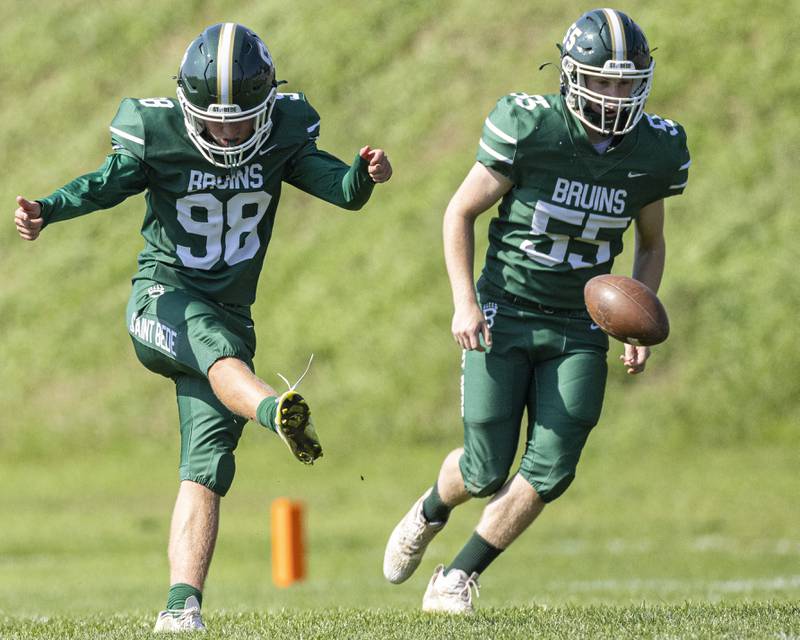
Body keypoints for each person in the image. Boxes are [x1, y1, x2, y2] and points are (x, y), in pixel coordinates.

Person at [15, 22, 391, 633]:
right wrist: (48, 210)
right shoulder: (157, 132)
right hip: (160, 301)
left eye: (241, 118)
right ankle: (276, 411)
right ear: (187, 106)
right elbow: (105, 184)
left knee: (207, 466)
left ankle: (180, 606)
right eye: (215, 120)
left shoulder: (283, 135)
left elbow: (341, 193)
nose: (228, 131)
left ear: (267, 105)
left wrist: (363, 175)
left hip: (231, 318)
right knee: (212, 347)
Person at [383, 8, 689, 613]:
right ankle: (430, 510)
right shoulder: (530, 127)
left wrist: (640, 319)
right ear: (573, 76)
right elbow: (459, 212)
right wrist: (464, 300)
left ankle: (457, 577)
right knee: (484, 471)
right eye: (602, 80)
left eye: (627, 82)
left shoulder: (655, 149)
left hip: (580, 324)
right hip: (506, 308)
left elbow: (650, 243)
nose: (615, 94)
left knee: (553, 465)